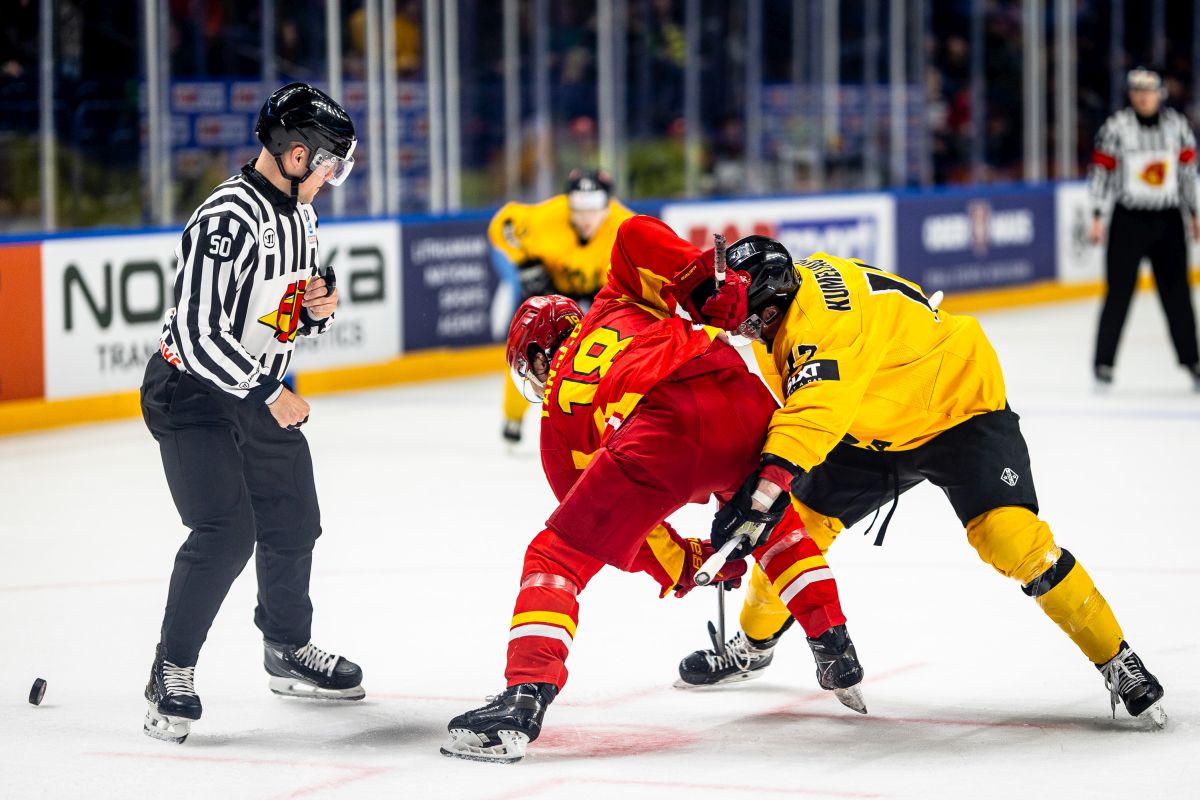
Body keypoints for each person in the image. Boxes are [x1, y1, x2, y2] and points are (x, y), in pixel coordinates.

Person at [680, 236, 1167, 727]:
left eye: (747, 317)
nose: (739, 325)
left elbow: (812, 417)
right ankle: (753, 647)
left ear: (773, 304)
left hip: (956, 410)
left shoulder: (822, 329)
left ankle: (1116, 657)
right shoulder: (789, 294)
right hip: (869, 417)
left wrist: (760, 495)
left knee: (1011, 539)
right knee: (791, 533)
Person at [441, 217, 867, 764]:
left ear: (541, 356)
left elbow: (623, 531)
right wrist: (702, 281)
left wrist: (687, 564)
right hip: (740, 394)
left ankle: (523, 699)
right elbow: (634, 235)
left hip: (662, 432)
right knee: (772, 525)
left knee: (555, 558)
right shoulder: (616, 301)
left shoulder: (555, 425)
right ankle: (833, 644)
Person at [140, 83, 365, 743]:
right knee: (225, 530)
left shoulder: (302, 216)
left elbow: (274, 314)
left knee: (294, 516)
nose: (329, 180)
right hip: (190, 393)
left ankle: (286, 649)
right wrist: (270, 392)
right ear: (296, 155)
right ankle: (170, 671)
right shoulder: (226, 218)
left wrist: (315, 308)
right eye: (327, 165)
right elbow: (200, 334)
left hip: (251, 385)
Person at [488, 169, 635, 444]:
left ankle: (599, 419)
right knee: (528, 351)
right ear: (568, 202)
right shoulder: (546, 217)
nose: (586, 216)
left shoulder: (625, 226)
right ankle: (513, 415)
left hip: (599, 296)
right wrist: (525, 262)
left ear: (608, 204)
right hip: (550, 292)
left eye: (593, 206)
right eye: (579, 205)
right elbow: (502, 224)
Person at [1088, 67, 1200, 391]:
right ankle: (1104, 364)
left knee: (1177, 293)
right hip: (1129, 219)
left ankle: (1192, 361)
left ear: (1160, 93)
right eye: (1137, 90)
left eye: (1148, 90)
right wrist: (1097, 215)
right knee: (1118, 293)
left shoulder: (1178, 126)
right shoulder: (1116, 128)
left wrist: (1194, 213)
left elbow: (1187, 174)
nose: (1143, 96)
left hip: (1168, 219)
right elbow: (1101, 173)